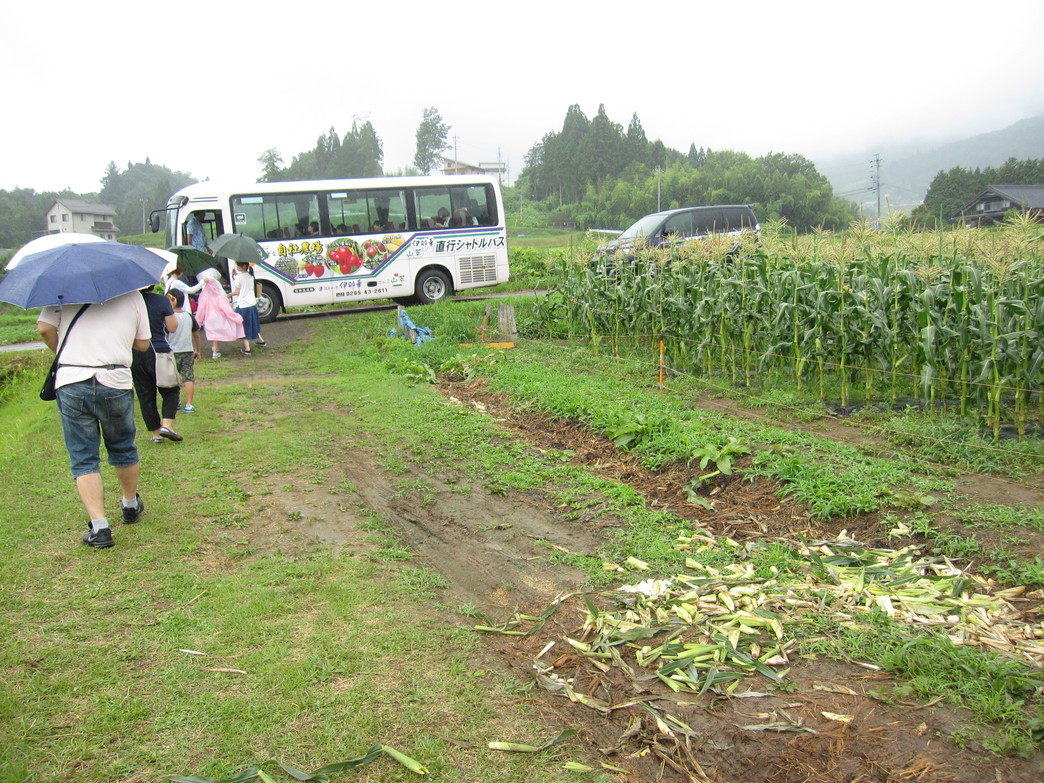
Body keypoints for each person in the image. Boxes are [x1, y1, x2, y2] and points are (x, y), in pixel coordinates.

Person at [37, 292, 151, 549]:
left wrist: (67, 350)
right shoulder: (132, 294)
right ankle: (130, 504)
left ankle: (100, 528)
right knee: (123, 445)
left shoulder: (62, 292)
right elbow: (143, 343)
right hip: (115, 378)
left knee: (83, 456)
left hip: (72, 378)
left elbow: (45, 328)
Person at [132, 287, 182, 445]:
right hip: (158, 350)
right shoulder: (161, 301)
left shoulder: (129, 302)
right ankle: (167, 425)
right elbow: (172, 327)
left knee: (145, 394)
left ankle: (156, 434)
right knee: (170, 389)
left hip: (136, 352)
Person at [194, 268, 244, 358]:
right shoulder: (220, 295)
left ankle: (215, 351)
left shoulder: (203, 295)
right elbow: (226, 308)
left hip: (209, 317)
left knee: (214, 336)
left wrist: (198, 322)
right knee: (217, 335)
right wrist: (235, 317)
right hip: (218, 316)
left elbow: (201, 308)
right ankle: (215, 353)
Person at [167, 289, 202, 412]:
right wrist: (197, 350)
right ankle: (189, 404)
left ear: (173, 300)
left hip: (172, 352)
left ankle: (176, 401)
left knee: (173, 378)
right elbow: (196, 334)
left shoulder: (168, 317)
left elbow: (165, 335)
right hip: (188, 351)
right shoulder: (189, 316)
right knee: (188, 377)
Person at [229, 261, 263, 354]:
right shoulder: (250, 276)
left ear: (243, 266)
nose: (237, 267)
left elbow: (237, 292)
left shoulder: (238, 277)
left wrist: (228, 295)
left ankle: (247, 348)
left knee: (242, 327)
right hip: (251, 304)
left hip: (243, 305)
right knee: (253, 323)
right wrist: (235, 276)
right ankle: (261, 340)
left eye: (238, 266)